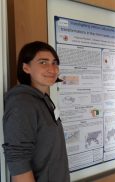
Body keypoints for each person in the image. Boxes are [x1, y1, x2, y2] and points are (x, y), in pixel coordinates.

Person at [2, 41, 70, 182]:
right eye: (43, 62)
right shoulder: (22, 103)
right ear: (26, 67)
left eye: (55, 62)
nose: (52, 69)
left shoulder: (43, 99)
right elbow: (18, 159)